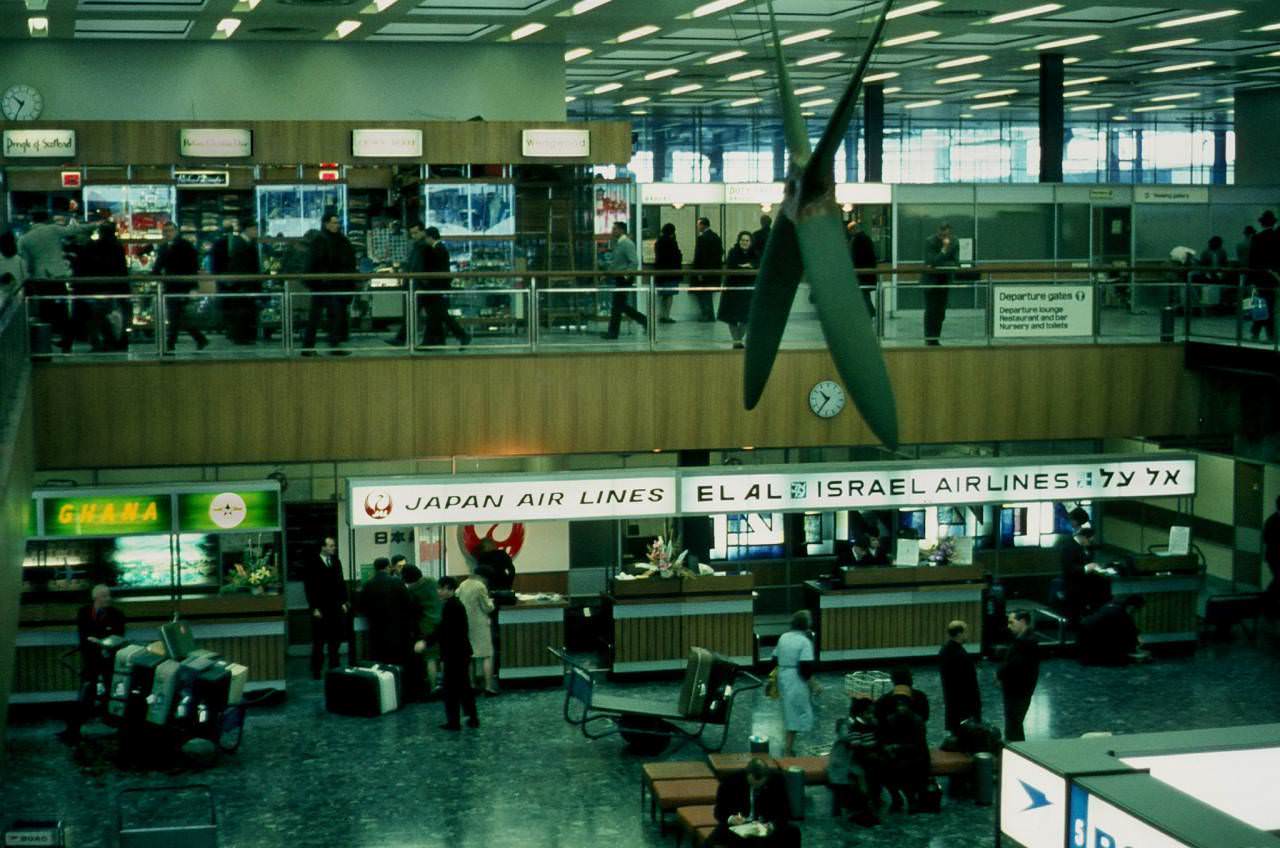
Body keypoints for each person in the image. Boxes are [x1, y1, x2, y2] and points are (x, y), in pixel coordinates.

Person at [61, 584, 127, 743]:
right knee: (86, 694)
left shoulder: (117, 615)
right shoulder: (84, 613)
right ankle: (73, 730)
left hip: (109, 661)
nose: (108, 598)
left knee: (112, 693)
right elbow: (84, 638)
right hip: (91, 660)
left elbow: (117, 637)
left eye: (108, 595)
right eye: (104, 596)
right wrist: (101, 643)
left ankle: (117, 724)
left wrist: (100, 642)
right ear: (95, 597)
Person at [19, 208, 91, 353]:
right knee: (62, 311)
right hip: (57, 278)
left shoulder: (25, 239)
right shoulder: (53, 230)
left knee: (45, 312)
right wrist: (96, 224)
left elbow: (27, 263)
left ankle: (44, 343)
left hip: (40, 280)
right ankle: (67, 340)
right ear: (46, 219)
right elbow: (74, 229)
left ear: (32, 220)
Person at [426, 576, 480, 731]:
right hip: (461, 652)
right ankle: (473, 718)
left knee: (451, 689)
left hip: (454, 653)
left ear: (450, 589)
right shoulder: (454, 605)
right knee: (464, 687)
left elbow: (443, 630)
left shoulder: (451, 607)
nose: (439, 591)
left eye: (442, 588)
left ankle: (453, 722)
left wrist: (427, 641)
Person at [874, 667, 930, 813]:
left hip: (892, 751)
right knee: (912, 766)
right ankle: (911, 799)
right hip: (915, 750)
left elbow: (879, 728)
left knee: (885, 766)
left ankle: (896, 797)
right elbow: (924, 720)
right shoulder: (921, 698)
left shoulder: (883, 702)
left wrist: (890, 746)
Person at [710, 757, 799, 847]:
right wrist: (730, 818)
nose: (756, 788)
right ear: (747, 775)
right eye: (752, 785)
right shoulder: (730, 783)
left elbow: (785, 811)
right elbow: (719, 812)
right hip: (739, 827)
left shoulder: (777, 781)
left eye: (760, 786)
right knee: (714, 840)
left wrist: (772, 825)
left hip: (765, 826)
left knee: (793, 831)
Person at [302, 210, 357, 354]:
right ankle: (310, 347)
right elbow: (314, 262)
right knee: (318, 316)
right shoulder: (321, 240)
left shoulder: (339, 240)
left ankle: (331, 345)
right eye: (334, 223)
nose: (337, 225)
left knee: (334, 315)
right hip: (323, 284)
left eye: (338, 223)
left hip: (334, 284)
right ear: (326, 224)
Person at [828, 695, 883, 827]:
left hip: (856, 761)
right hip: (845, 764)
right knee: (859, 779)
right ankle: (861, 810)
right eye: (869, 712)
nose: (872, 716)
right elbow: (853, 743)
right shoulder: (849, 726)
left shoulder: (866, 725)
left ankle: (868, 804)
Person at [154, 221, 207, 353]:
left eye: (170, 230)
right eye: (166, 231)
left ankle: (170, 344)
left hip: (182, 286)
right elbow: (159, 265)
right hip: (171, 286)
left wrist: (193, 286)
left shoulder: (185, 246)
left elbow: (193, 267)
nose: (168, 233)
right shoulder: (164, 247)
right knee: (178, 316)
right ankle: (199, 338)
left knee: (175, 316)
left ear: (176, 231)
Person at [303, 536, 350, 679]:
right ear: (323, 547)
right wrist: (314, 607)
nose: (333, 548)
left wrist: (344, 602)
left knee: (335, 639)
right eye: (330, 546)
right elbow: (309, 587)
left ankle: (334, 668)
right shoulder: (312, 563)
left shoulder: (336, 561)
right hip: (320, 607)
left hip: (335, 606)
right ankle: (316, 670)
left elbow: (340, 582)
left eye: (333, 546)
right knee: (319, 641)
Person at [357, 557, 416, 671]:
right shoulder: (397, 582)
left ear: (375, 568)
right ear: (388, 567)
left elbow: (362, 606)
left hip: (376, 629)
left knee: (379, 661)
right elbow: (408, 603)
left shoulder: (368, 584)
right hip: (396, 629)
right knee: (396, 661)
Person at [774, 609, 819, 757]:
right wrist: (814, 685)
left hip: (782, 675)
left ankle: (787, 745)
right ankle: (788, 749)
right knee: (795, 713)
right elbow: (805, 668)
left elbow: (774, 658)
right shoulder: (804, 642)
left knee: (788, 711)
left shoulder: (783, 637)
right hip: (795, 678)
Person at [79, 221, 130, 351]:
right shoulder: (117, 247)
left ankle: (101, 342)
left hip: (97, 287)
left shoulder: (93, 246)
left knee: (98, 317)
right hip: (116, 287)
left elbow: (87, 267)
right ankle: (116, 341)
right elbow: (122, 268)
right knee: (114, 316)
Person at [211, 218, 260, 345]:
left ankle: (241, 335)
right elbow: (241, 265)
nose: (257, 232)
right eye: (255, 229)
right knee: (242, 310)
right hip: (243, 283)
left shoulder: (243, 243)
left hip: (242, 283)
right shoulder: (241, 244)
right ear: (248, 229)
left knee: (241, 310)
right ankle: (241, 336)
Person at [420, 226, 470, 348]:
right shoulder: (439, 248)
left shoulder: (437, 249)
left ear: (430, 237)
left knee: (439, 314)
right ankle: (433, 341)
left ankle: (461, 335)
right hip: (438, 287)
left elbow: (436, 269)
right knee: (435, 314)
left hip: (437, 287)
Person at [998, 610, 1040, 743]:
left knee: (1014, 725)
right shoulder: (1024, 640)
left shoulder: (1026, 643)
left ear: (1022, 622)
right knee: (1014, 724)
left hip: (1018, 690)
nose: (1009, 626)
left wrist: (1000, 673)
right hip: (1017, 689)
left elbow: (1015, 666)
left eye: (1012, 622)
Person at [401, 562, 441, 698]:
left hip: (426, 625)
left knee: (430, 659)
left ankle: (433, 687)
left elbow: (412, 611)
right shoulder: (432, 581)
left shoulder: (412, 591)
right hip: (442, 622)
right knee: (444, 657)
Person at [601, 221, 647, 339]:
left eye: (615, 229)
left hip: (624, 278)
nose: (613, 231)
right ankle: (643, 320)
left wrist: (627, 275)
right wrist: (608, 274)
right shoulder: (619, 243)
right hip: (619, 277)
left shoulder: (627, 244)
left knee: (617, 306)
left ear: (621, 230)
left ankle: (613, 332)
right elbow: (616, 262)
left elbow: (634, 261)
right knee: (620, 305)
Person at [1078, 595, 1149, 666]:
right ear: (1131, 607)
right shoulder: (1121, 614)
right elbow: (1130, 633)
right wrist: (1136, 645)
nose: (1134, 613)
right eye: (1135, 610)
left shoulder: (1109, 606)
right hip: (1095, 645)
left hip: (1085, 642)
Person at [457, 572, 497, 695]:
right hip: (480, 624)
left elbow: (457, 597)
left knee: (470, 656)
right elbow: (487, 607)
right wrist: (491, 602)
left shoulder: (463, 584)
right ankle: (488, 687)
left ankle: (472, 685)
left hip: (465, 624)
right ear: (483, 577)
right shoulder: (480, 586)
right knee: (487, 655)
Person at [938, 620, 981, 733]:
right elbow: (968, 681)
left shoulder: (945, 650)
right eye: (966, 632)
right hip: (964, 702)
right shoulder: (960, 655)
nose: (968, 634)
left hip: (952, 699)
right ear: (959, 634)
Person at [1059, 526, 1108, 623]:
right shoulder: (1068, 547)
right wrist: (1086, 568)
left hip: (1086, 582)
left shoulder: (1087, 547)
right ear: (1083, 537)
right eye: (1089, 540)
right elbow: (1068, 569)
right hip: (1073, 584)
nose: (1090, 542)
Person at [922, 222, 959, 346]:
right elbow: (931, 261)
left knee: (941, 312)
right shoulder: (930, 242)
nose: (944, 237)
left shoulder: (954, 242)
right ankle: (930, 339)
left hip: (945, 280)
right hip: (931, 281)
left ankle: (935, 337)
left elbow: (956, 263)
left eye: (946, 235)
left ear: (950, 232)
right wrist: (943, 250)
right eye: (942, 235)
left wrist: (938, 263)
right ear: (937, 232)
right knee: (931, 311)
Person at [718, 230, 754, 349]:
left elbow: (757, 265)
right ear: (739, 241)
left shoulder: (755, 253)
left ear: (750, 242)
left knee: (746, 317)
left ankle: (738, 339)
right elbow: (732, 266)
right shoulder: (733, 252)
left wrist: (744, 266)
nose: (744, 242)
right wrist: (745, 266)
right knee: (732, 318)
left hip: (748, 292)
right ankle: (736, 341)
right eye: (742, 240)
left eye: (747, 241)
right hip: (733, 291)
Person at [1248, 209, 1279, 342]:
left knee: (1260, 305)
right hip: (1274, 277)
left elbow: (1252, 260)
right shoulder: (1278, 237)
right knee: (1271, 307)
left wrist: (1251, 279)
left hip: (1260, 277)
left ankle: (1256, 332)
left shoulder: (1257, 238)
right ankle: (1270, 334)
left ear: (1261, 224)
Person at [692, 216, 724, 322]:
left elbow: (700, 257)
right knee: (708, 293)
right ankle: (710, 314)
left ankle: (706, 314)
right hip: (714, 271)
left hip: (703, 272)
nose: (698, 227)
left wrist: (699, 272)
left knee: (703, 293)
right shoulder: (716, 237)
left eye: (698, 224)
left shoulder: (702, 239)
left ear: (702, 225)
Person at [653, 222, 683, 325]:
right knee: (669, 295)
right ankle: (666, 316)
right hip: (671, 273)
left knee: (662, 295)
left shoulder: (658, 242)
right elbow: (677, 256)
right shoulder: (672, 242)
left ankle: (661, 315)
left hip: (661, 273)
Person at [849, 218, 879, 318]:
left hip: (861, 274)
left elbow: (854, 258)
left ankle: (870, 313)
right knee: (864, 294)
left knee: (863, 294)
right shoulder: (867, 239)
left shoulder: (856, 240)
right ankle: (870, 313)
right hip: (868, 274)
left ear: (853, 230)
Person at [1263, 496, 1280, 613]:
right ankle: (1267, 602)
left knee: (1278, 579)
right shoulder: (1273, 521)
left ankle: (1269, 603)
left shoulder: (1271, 520)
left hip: (1273, 555)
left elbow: (1265, 538)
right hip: (1275, 556)